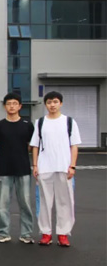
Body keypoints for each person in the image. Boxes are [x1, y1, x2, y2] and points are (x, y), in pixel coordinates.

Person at [30, 91, 81, 247]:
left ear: (61, 103)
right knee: (44, 202)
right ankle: (46, 233)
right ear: (45, 104)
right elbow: (35, 146)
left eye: (55, 102)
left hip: (64, 167)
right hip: (45, 167)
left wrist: (72, 165)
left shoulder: (69, 122)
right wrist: (35, 165)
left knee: (64, 201)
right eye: (49, 102)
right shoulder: (40, 122)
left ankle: (63, 233)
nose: (52, 105)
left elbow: (74, 146)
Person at [0, 93, 35, 244]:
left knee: (25, 203)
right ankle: (4, 233)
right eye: (9, 104)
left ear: (20, 106)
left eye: (15, 103)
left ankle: (26, 234)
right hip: (4, 168)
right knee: (3, 204)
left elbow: (31, 146)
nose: (12, 106)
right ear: (5, 106)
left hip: (23, 168)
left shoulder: (27, 125)